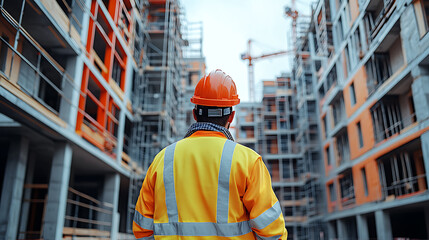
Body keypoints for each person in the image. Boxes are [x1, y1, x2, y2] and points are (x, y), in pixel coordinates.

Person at [133, 69, 288, 239]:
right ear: (231, 117)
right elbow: (273, 233)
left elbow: (142, 229)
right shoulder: (248, 162)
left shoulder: (162, 160)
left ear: (195, 114)